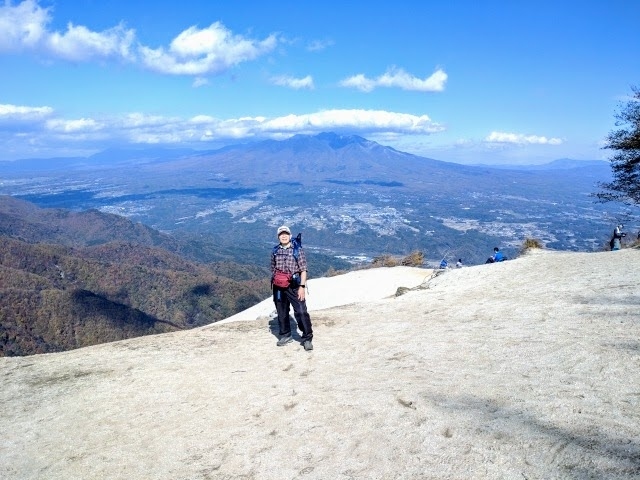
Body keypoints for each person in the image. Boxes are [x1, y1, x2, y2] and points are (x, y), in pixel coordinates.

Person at [271, 225, 313, 351]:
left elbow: (303, 269)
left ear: (290, 235)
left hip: (295, 286)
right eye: (281, 234)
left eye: (285, 234)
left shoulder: (297, 250)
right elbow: (273, 268)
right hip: (279, 287)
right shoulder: (275, 251)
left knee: (301, 311)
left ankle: (307, 338)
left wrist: (302, 286)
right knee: (281, 311)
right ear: (278, 236)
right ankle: (285, 334)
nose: (283, 236)